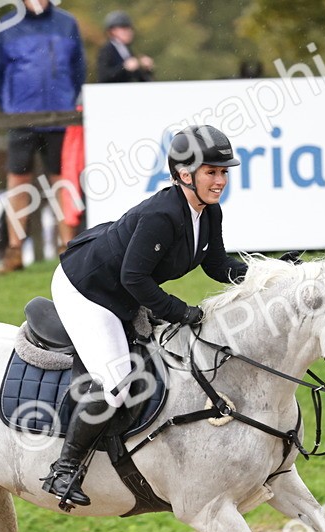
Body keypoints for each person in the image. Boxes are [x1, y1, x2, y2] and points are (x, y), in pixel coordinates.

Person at [41, 125, 248, 507]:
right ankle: (64, 469)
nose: (220, 180)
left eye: (223, 172)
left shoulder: (209, 212)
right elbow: (133, 277)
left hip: (121, 288)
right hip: (87, 290)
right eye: (212, 172)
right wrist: (178, 310)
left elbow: (218, 265)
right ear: (185, 175)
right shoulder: (162, 215)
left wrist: (268, 275)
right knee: (117, 381)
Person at [0, 0, 85, 273]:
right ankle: (14, 252)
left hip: (60, 118)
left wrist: (65, 102)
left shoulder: (67, 23)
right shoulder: (6, 25)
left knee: (62, 184)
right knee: (18, 184)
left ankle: (69, 251)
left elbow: (78, 72)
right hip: (21, 119)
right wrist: (11, 108)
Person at [97, 11, 154, 83]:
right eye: (124, 29)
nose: (129, 32)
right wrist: (124, 68)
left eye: (130, 29)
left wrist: (145, 69)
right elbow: (103, 77)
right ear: (113, 31)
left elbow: (140, 78)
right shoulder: (107, 50)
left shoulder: (127, 50)